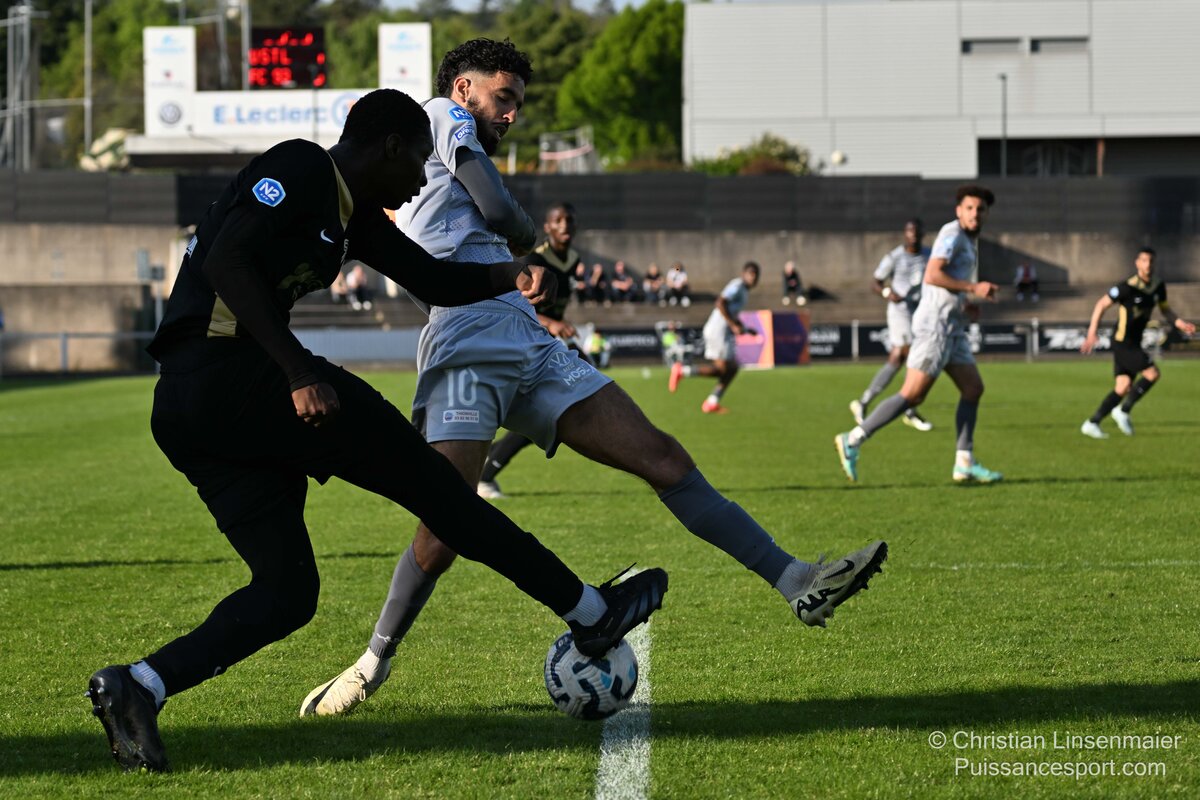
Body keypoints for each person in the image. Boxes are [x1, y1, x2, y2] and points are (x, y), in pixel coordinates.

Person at [83, 89, 669, 774]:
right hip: (228, 379)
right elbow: (226, 263)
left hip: (199, 408)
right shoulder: (301, 166)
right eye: (418, 159)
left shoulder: (350, 213)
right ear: (389, 146)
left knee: (286, 594)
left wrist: (509, 273)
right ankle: (591, 612)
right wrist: (299, 372)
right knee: (441, 492)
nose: (421, 179)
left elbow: (430, 278)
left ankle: (139, 686)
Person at [301, 39, 887, 718]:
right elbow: (501, 214)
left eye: (519, 103)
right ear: (462, 88)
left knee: (664, 458)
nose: (512, 114)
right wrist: (527, 237)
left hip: (522, 332)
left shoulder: (445, 143)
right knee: (447, 521)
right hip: (463, 341)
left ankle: (797, 581)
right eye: (504, 97)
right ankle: (373, 662)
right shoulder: (440, 114)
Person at [835, 185, 1003, 484]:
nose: (975, 214)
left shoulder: (967, 240)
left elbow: (943, 284)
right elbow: (933, 274)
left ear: (987, 213)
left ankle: (964, 462)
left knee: (973, 388)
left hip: (951, 326)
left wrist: (965, 304)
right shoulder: (952, 234)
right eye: (969, 208)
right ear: (959, 211)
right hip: (935, 327)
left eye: (980, 209)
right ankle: (853, 439)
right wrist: (973, 288)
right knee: (913, 394)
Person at [477, 201, 590, 500]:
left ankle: (485, 462)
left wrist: (559, 326)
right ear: (548, 227)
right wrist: (552, 323)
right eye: (558, 220)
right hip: (519, 339)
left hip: (545, 342)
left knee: (551, 411)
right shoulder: (535, 259)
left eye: (570, 220)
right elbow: (514, 303)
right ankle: (483, 474)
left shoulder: (573, 259)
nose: (565, 225)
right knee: (544, 413)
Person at [1079, 247, 1195, 438]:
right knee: (1152, 373)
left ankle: (1092, 423)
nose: (1148, 264)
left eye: (1151, 261)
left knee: (1123, 386)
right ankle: (1123, 410)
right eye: (1144, 260)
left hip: (1134, 342)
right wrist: (1092, 332)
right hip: (1122, 342)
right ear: (1137, 263)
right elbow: (1101, 304)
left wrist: (1179, 322)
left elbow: (1165, 309)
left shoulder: (1158, 286)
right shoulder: (1127, 287)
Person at [849, 220, 933, 433]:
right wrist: (887, 292)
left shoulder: (929, 255)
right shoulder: (895, 257)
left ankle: (864, 402)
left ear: (922, 233)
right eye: (909, 231)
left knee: (897, 360)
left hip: (920, 313)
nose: (913, 234)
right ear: (905, 234)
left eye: (916, 231)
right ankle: (909, 409)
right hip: (900, 312)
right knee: (912, 355)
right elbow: (875, 282)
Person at [668, 261, 760, 414]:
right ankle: (682, 371)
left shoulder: (744, 291)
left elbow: (731, 313)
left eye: (755, 275)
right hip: (718, 330)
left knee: (732, 369)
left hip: (722, 331)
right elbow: (720, 302)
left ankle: (712, 401)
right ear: (743, 274)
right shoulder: (737, 285)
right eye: (750, 274)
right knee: (722, 370)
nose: (753, 278)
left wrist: (746, 329)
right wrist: (733, 325)